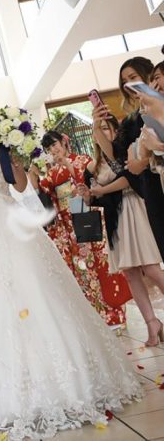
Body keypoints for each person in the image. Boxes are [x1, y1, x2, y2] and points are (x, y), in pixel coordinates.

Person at [0, 93, 142, 440]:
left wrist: (17, 160)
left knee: (33, 293)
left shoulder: (0, 145)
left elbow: (18, 186)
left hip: (9, 222)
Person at [77, 115, 164, 346]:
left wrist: (101, 190)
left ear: (116, 131)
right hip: (115, 218)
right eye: (100, 129)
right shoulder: (92, 166)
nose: (104, 133)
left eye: (107, 128)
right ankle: (151, 323)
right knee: (131, 274)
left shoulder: (123, 153)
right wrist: (88, 195)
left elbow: (129, 179)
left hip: (135, 209)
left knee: (151, 269)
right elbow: (93, 196)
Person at [38, 131, 125, 326]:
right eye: (49, 148)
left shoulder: (82, 160)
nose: (53, 150)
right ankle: (96, 318)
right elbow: (45, 195)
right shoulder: (51, 173)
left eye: (55, 144)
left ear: (64, 142)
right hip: (69, 226)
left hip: (87, 217)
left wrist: (68, 165)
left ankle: (115, 314)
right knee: (84, 270)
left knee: (102, 265)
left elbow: (87, 181)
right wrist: (36, 175)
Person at [93, 57, 164, 262]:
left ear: (149, 76)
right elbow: (115, 155)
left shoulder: (157, 108)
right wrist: (97, 127)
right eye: (124, 81)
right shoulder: (132, 119)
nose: (128, 84)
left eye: (133, 77)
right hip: (150, 188)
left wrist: (143, 161)